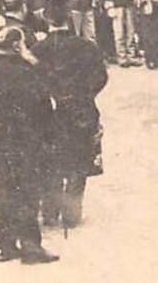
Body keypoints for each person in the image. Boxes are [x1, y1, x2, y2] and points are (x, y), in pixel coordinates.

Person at [0, 25, 58, 264]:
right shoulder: (27, 71)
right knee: (28, 192)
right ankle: (31, 245)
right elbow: (45, 98)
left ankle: (5, 245)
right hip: (25, 140)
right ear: (17, 46)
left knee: (6, 191)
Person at [32, 15, 108, 230]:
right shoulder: (87, 47)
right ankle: (72, 213)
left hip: (50, 112)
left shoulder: (38, 49)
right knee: (80, 159)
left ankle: (50, 211)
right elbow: (101, 77)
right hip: (81, 110)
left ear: (48, 20)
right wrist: (85, 95)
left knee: (50, 161)